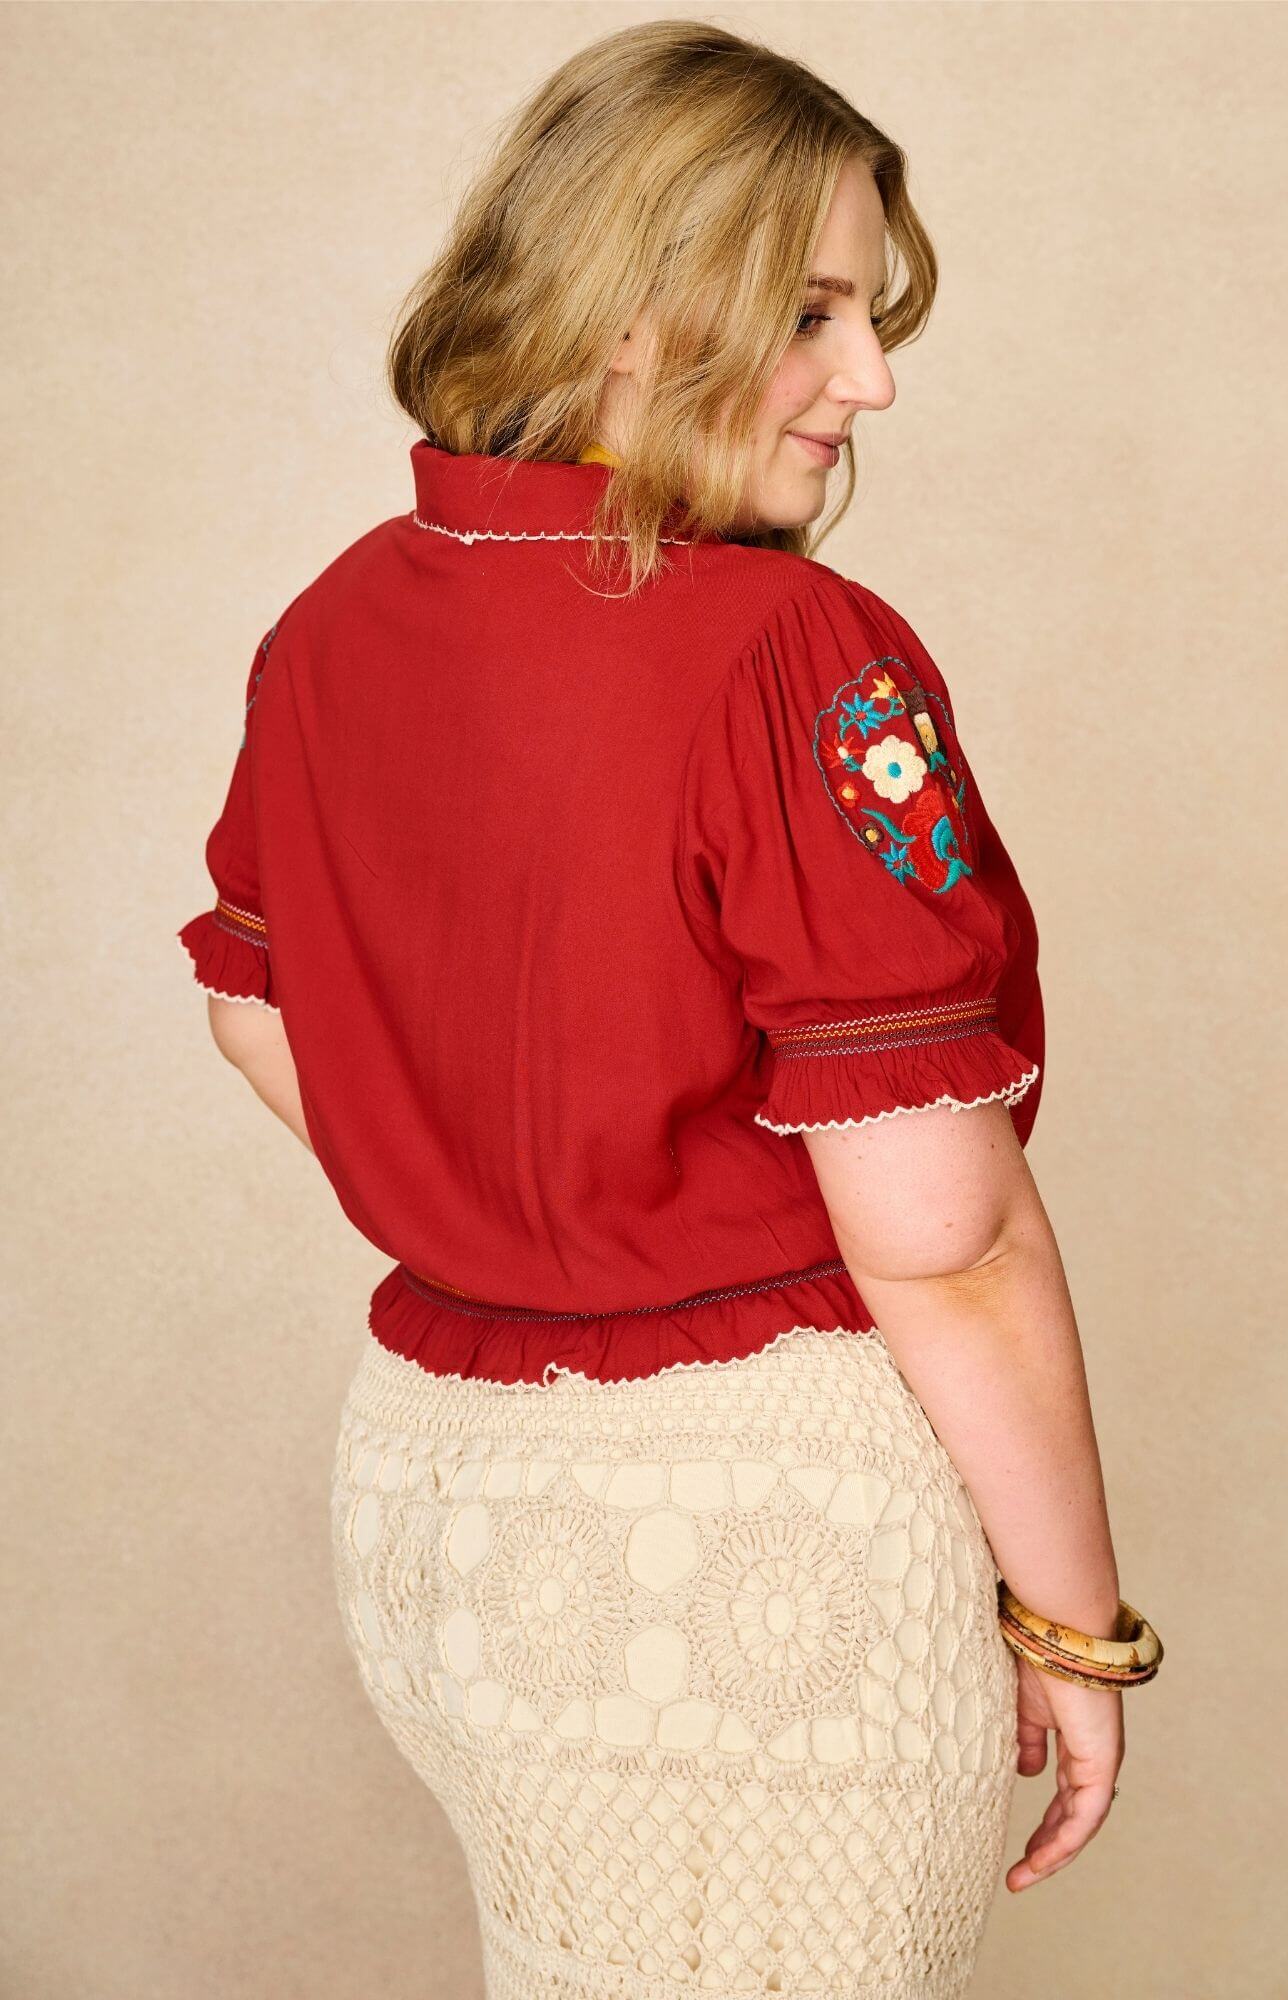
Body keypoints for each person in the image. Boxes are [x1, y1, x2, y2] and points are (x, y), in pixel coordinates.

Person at [176, 20, 1162, 1995]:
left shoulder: (337, 617)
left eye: (870, 316)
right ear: (629, 309)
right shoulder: (795, 651)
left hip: (437, 1512)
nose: (869, 378)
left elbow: (253, 1010)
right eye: (806, 312)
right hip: (747, 1532)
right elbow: (942, 1232)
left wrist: (503, 1186)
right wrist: (1074, 1626)